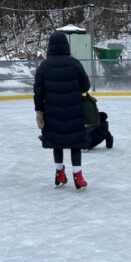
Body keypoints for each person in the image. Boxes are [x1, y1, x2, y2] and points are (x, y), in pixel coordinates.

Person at [34, 31, 90, 189]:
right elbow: (86, 85)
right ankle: (78, 177)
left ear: (50, 46)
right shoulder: (74, 63)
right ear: (66, 45)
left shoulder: (44, 66)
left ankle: (59, 174)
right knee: (75, 143)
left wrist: (39, 112)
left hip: (52, 112)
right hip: (74, 111)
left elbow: (38, 92)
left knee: (56, 143)